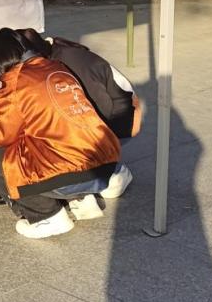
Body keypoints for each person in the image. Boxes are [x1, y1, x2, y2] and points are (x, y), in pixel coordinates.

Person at [0, 28, 121, 239]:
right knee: (41, 143)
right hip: (105, 164)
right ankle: (81, 199)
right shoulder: (56, 66)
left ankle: (46, 215)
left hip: (69, 170)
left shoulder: (13, 81)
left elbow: (1, 135)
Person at [15, 28, 138, 198]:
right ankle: (95, 173)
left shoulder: (56, 66)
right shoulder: (60, 51)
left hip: (118, 125)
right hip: (118, 118)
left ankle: (108, 172)